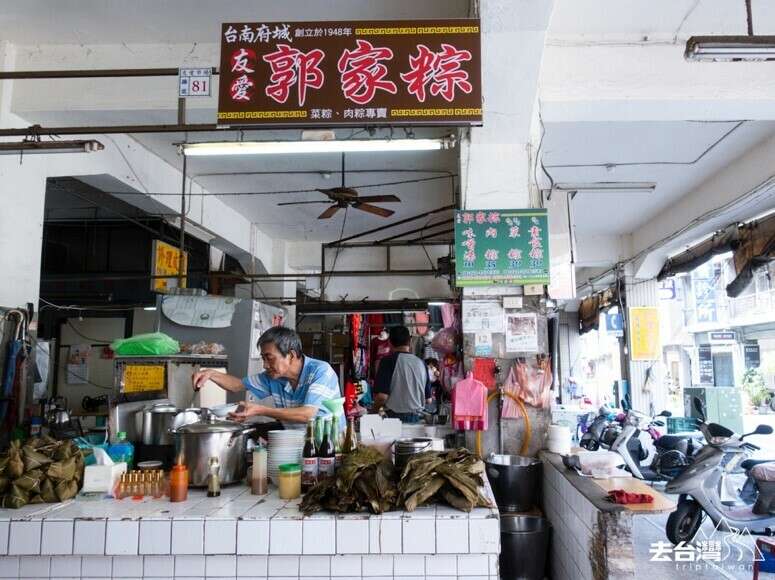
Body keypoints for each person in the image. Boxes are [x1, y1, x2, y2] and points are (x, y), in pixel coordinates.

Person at [192, 326, 340, 429]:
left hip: (329, 448)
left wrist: (260, 410)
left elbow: (307, 414)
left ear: (291, 355)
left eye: (269, 358)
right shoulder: (274, 377)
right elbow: (237, 385)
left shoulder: (321, 371)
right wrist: (211, 373)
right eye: (263, 358)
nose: (265, 365)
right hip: (296, 445)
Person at [372, 326, 432, 423]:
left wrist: (372, 413)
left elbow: (382, 397)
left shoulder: (388, 361)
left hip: (394, 419)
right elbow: (428, 399)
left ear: (389, 343)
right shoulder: (421, 363)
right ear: (410, 341)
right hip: (417, 418)